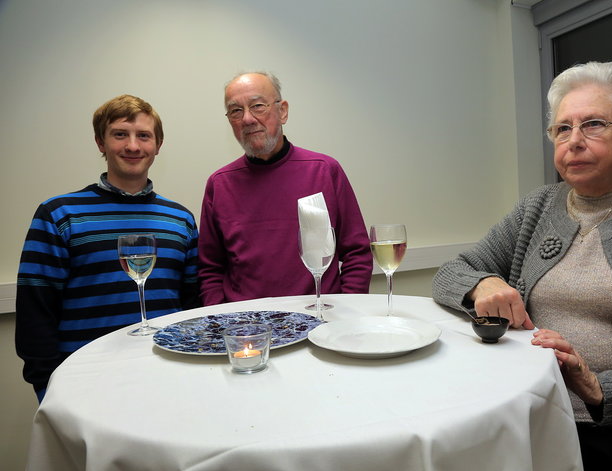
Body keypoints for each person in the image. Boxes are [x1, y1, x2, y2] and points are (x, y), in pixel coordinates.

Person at [432, 61, 612, 471]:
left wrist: (600, 388)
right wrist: (483, 283)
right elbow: (451, 272)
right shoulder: (537, 207)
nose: (574, 141)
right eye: (562, 129)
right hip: (538, 417)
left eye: (594, 124)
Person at [16, 94, 199, 402]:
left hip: (169, 378)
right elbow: (35, 312)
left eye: (144, 136)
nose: (133, 146)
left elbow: (193, 305)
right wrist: (49, 388)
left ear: (158, 145)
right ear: (100, 142)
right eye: (120, 134)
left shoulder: (180, 219)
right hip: (86, 383)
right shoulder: (60, 215)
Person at [199, 71, 372, 304]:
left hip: (320, 317)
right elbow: (210, 270)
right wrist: (222, 318)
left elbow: (357, 254)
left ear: (283, 111)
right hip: (246, 322)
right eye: (236, 111)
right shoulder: (219, 184)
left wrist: (345, 311)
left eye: (257, 106)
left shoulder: (324, 171)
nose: (247, 119)